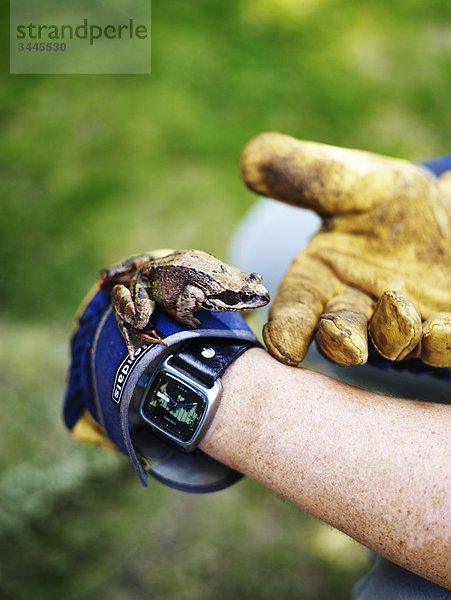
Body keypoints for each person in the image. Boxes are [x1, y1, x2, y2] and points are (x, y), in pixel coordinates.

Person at [64, 135, 451, 598]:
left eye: (248, 294)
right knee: (269, 238)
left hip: (181, 283)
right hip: (159, 281)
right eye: (246, 296)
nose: (254, 298)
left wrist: (241, 402)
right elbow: (185, 296)